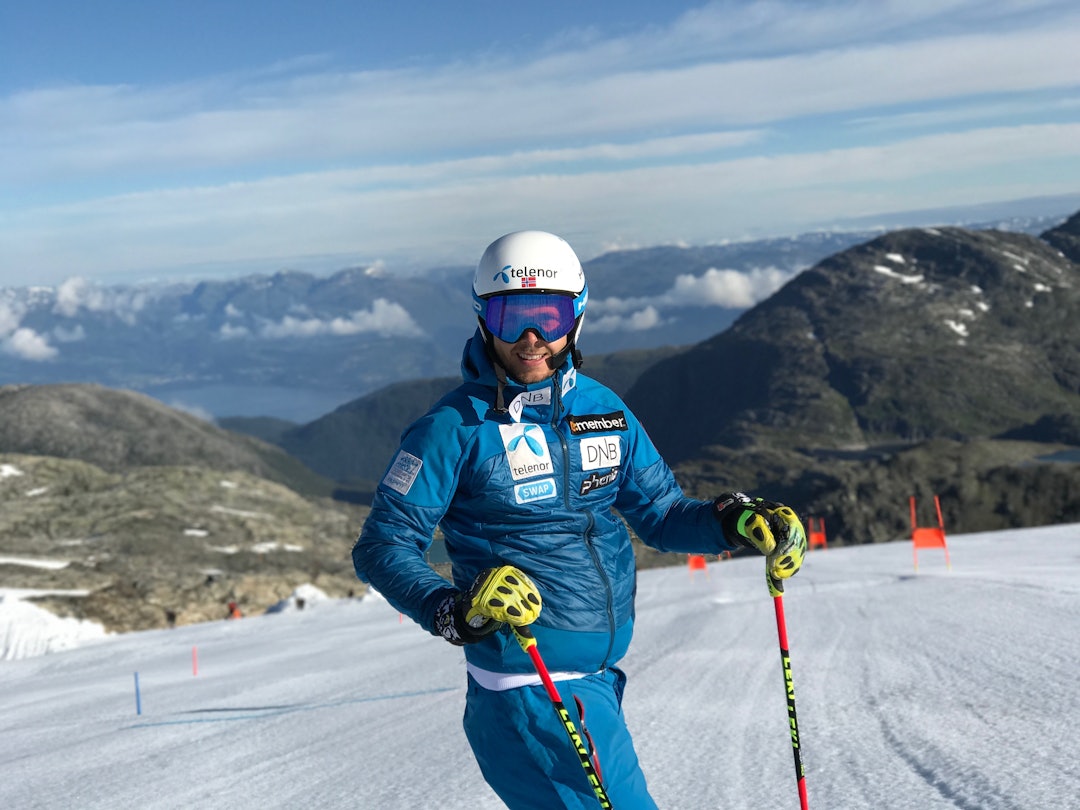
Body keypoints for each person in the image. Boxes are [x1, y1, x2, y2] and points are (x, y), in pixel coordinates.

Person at [352, 230, 807, 809]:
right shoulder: (451, 428)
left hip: (595, 681)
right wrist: (451, 611)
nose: (531, 338)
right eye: (511, 315)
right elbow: (383, 546)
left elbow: (662, 513)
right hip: (529, 685)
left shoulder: (603, 411)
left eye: (550, 314)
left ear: (578, 315)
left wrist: (732, 522)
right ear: (483, 318)